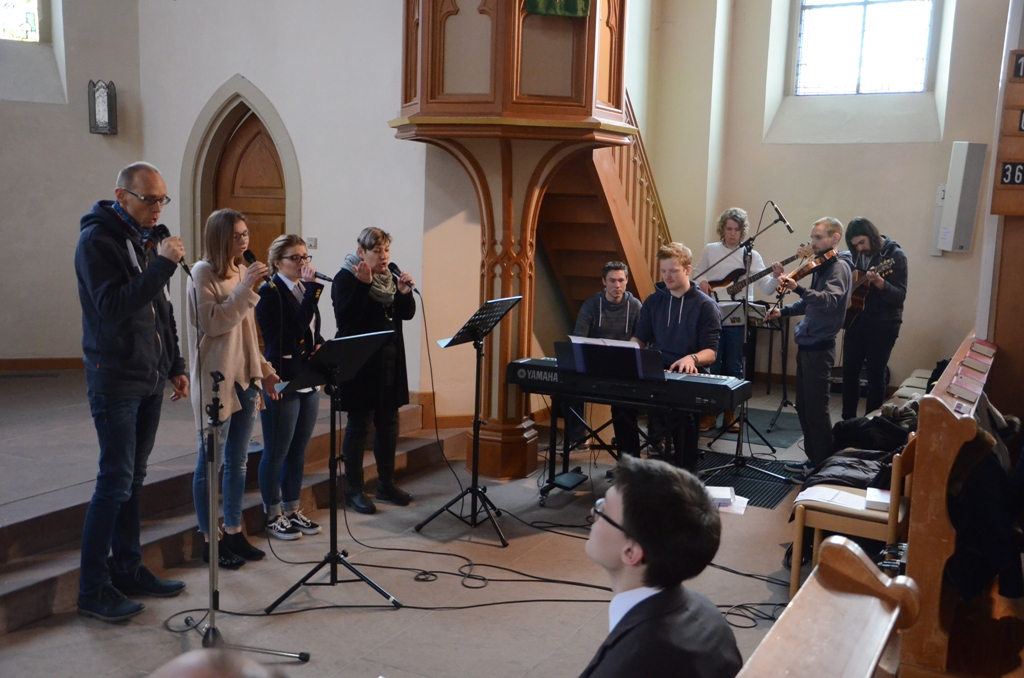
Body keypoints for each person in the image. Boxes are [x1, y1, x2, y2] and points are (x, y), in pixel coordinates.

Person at [74, 162, 189, 622]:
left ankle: (128, 568)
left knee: (134, 479)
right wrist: (163, 264)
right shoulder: (96, 241)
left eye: (162, 199)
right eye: (149, 199)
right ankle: (92, 589)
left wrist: (175, 364)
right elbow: (113, 306)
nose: (158, 207)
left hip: (149, 375)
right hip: (115, 379)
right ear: (121, 195)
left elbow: (161, 308)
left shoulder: (145, 239)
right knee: (114, 482)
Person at [579, 455, 742, 678]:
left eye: (602, 510)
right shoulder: (707, 614)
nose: (593, 513)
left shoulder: (631, 664)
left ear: (631, 552)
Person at [187, 209, 281, 568]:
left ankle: (233, 531)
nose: (245, 241)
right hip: (217, 379)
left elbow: (246, 333)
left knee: (238, 461)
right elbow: (213, 324)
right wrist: (245, 288)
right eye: (237, 235)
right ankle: (209, 539)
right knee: (210, 462)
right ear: (220, 236)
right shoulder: (201, 272)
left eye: (246, 234)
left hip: (246, 377)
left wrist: (266, 371)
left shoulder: (241, 271)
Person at [332, 227, 416, 514]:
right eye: (377, 251)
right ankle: (354, 489)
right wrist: (363, 285)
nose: (384, 256)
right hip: (361, 365)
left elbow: (405, 314)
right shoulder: (346, 278)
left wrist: (404, 294)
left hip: (389, 363)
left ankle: (385, 483)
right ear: (361, 252)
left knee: (389, 423)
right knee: (359, 426)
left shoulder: (390, 277)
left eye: (386, 250)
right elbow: (347, 319)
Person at [765, 217, 853, 481]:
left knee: (816, 409)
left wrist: (798, 288)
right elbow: (808, 304)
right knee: (804, 407)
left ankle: (822, 466)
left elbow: (830, 301)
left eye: (818, 237)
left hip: (820, 347)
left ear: (835, 238)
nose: (813, 243)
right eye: (813, 237)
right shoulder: (822, 266)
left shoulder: (839, 268)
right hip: (808, 344)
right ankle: (814, 458)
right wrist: (782, 311)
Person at [256, 235, 324, 540]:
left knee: (298, 450)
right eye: (294, 258)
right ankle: (272, 515)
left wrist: (319, 343)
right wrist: (312, 292)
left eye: (305, 257)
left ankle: (292, 509)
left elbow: (309, 329)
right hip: (281, 377)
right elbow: (289, 333)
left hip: (308, 375)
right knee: (277, 451)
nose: (302, 263)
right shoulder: (268, 292)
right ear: (276, 262)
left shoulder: (301, 288)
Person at [632, 243, 721, 471]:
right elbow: (639, 339)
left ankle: (685, 470)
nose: (667, 276)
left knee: (682, 413)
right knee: (622, 406)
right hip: (659, 367)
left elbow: (710, 352)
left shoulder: (705, 305)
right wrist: (624, 353)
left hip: (691, 370)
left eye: (673, 270)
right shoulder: (654, 301)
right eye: (663, 271)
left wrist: (691, 358)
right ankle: (631, 468)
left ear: (688, 270)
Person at [695, 207, 779, 432]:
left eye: (736, 230)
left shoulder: (751, 256)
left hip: (737, 318)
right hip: (712, 314)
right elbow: (697, 273)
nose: (732, 234)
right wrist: (703, 282)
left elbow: (766, 288)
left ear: (743, 231)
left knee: (734, 365)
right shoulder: (711, 250)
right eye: (728, 229)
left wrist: (776, 277)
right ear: (722, 229)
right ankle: (709, 414)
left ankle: (730, 414)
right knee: (712, 364)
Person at [568, 261, 643, 455]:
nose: (617, 285)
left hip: (624, 366)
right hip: (596, 363)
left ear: (627, 281)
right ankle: (577, 438)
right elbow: (578, 338)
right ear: (604, 282)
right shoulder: (592, 305)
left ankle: (634, 450)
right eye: (612, 281)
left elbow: (643, 339)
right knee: (568, 387)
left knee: (631, 401)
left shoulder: (635, 306)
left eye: (621, 280)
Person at [841, 217, 908, 420]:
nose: (860, 248)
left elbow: (899, 296)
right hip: (855, 320)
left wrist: (879, 282)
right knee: (849, 373)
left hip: (883, 324)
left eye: (862, 242)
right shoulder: (856, 253)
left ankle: (871, 424)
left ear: (872, 235)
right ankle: (848, 422)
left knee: (875, 375)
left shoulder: (895, 256)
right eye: (855, 245)